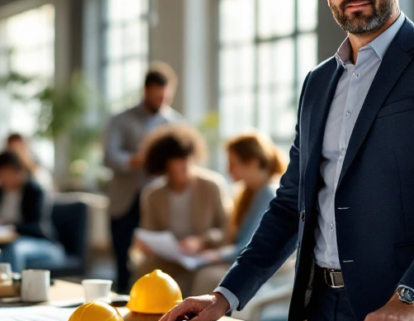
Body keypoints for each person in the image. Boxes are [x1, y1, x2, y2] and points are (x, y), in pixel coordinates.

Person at [161, 1, 414, 321]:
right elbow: (291, 204)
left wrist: (411, 297)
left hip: (412, 308)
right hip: (321, 303)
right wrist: (224, 295)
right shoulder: (317, 82)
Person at [103, 62, 182, 292]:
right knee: (122, 257)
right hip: (124, 200)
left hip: (159, 200)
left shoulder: (174, 123)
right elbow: (109, 157)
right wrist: (138, 159)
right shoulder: (121, 120)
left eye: (165, 98)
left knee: (155, 257)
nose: (161, 103)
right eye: (157, 97)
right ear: (146, 91)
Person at [134, 124, 229, 294]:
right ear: (165, 167)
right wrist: (146, 245)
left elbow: (227, 229)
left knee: (202, 280)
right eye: (177, 167)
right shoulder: (152, 195)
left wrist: (202, 241)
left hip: (203, 257)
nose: (184, 170)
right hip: (170, 260)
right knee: (145, 271)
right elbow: (148, 231)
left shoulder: (212, 186)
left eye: (187, 163)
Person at [190, 132, 287, 295]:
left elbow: (249, 245)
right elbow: (234, 235)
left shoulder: (269, 193)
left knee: (206, 276)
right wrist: (204, 243)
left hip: (263, 267)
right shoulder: (248, 193)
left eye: (232, 163)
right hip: (242, 259)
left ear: (252, 163)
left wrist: (215, 255)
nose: (228, 170)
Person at [0, 151, 64, 272]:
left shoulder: (34, 192)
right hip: (2, 244)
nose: (3, 178)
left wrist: (12, 227)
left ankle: (10, 290)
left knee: (13, 250)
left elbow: (37, 226)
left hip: (42, 244)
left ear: (18, 171)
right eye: (0, 174)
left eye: (7, 173)